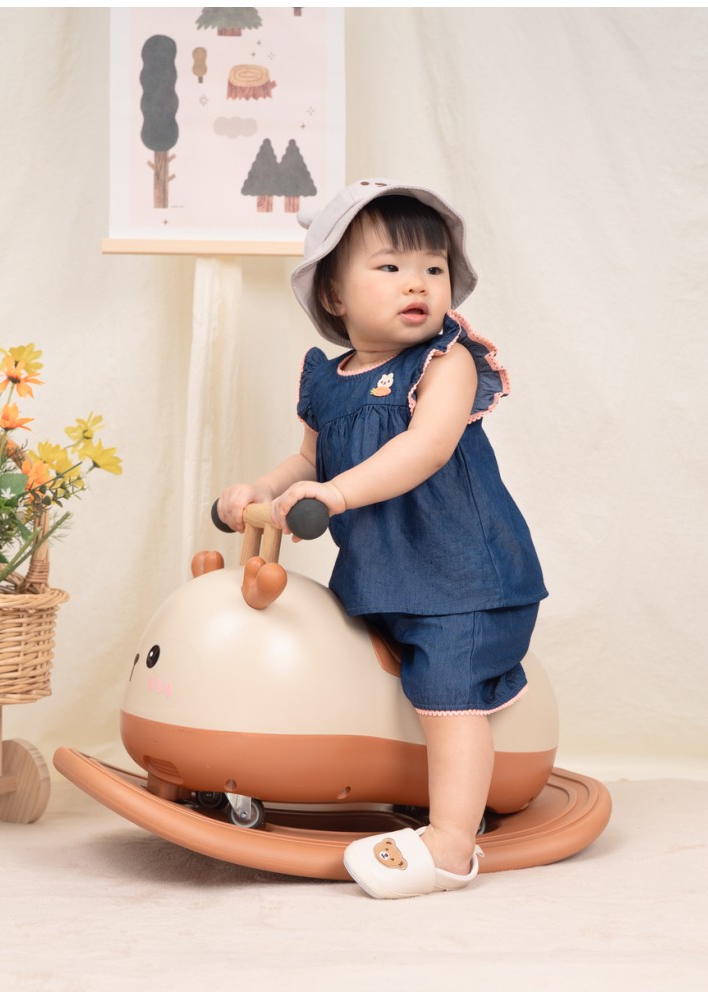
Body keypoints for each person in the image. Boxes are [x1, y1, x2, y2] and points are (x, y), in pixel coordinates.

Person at [216, 178, 547, 898]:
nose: (417, 283)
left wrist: (335, 496)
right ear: (334, 294)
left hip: (463, 576)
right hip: (384, 576)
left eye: (433, 268)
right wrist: (261, 490)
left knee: (444, 690)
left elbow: (425, 447)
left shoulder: (446, 362)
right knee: (358, 675)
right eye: (390, 266)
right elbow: (309, 461)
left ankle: (451, 845)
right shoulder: (327, 380)